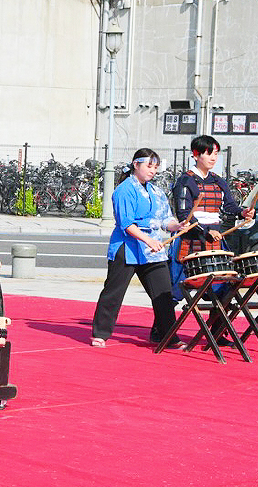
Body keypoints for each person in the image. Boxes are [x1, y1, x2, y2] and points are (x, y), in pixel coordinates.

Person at [91, 149, 190, 348]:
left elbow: (166, 219)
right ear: (136, 165)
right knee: (114, 292)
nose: (153, 171)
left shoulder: (156, 191)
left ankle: (167, 335)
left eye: (155, 167)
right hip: (127, 247)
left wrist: (177, 226)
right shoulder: (124, 189)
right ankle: (100, 333)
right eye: (149, 166)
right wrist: (148, 240)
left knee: (163, 293)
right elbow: (126, 223)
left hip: (152, 249)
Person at [171, 135, 255, 344]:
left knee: (225, 288)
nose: (213, 157)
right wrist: (205, 231)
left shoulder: (218, 181)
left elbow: (230, 208)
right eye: (209, 153)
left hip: (215, 242)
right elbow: (183, 216)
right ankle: (162, 330)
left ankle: (217, 332)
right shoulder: (185, 181)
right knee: (172, 290)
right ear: (197, 154)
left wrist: (243, 213)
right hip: (189, 243)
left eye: (216, 153)